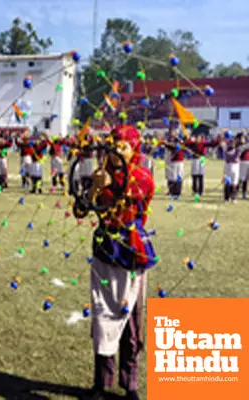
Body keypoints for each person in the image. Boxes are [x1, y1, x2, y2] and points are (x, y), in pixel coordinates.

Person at [81, 125, 155, 400]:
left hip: (132, 252)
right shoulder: (100, 174)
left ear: (135, 148)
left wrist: (114, 185)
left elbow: (142, 205)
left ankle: (130, 385)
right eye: (113, 146)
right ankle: (102, 383)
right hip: (104, 250)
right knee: (102, 317)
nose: (116, 153)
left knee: (131, 322)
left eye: (123, 147)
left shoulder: (143, 177)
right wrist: (94, 190)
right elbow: (82, 208)